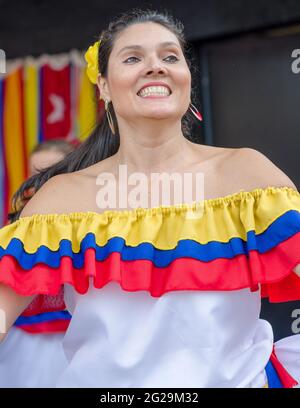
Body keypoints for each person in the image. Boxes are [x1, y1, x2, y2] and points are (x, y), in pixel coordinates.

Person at [0, 8, 300, 388]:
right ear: (104, 86)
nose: (156, 66)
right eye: (133, 57)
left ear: (187, 78)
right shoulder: (63, 197)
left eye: (170, 56)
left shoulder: (246, 175)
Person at [0, 140, 76, 387]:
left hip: (74, 355)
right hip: (18, 358)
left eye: (53, 175)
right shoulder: (13, 237)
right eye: (36, 175)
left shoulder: (95, 235)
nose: (41, 185)